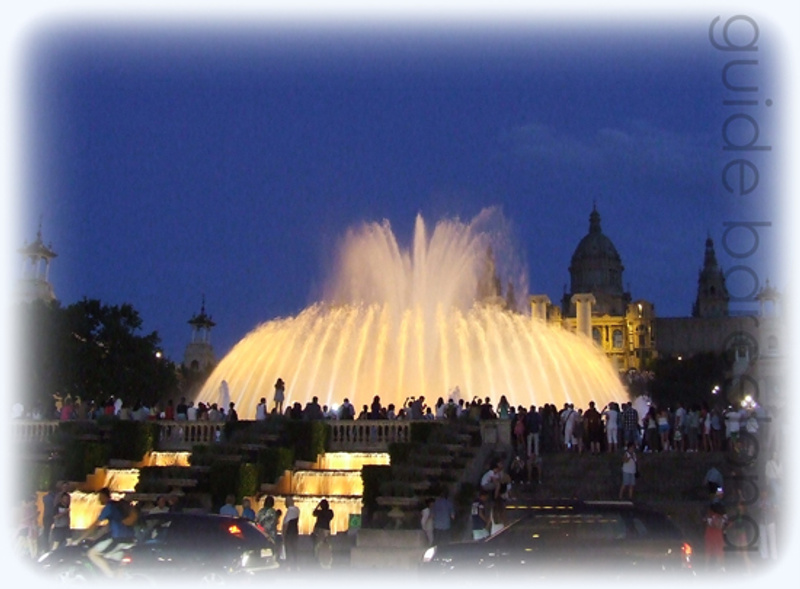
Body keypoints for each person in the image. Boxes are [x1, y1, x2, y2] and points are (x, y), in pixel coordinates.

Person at [73, 488, 136, 578]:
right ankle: (118, 575)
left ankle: (110, 576)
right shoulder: (116, 506)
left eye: (100, 497)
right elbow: (107, 527)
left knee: (92, 554)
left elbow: (94, 525)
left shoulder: (109, 507)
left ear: (104, 496)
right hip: (129, 538)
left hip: (118, 538)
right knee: (110, 556)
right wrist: (95, 537)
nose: (98, 499)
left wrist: (79, 539)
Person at [312, 499, 334, 568]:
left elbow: (313, 513)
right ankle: (328, 558)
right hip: (327, 530)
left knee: (317, 545)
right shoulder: (330, 512)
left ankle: (316, 558)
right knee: (328, 545)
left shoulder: (320, 512)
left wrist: (318, 505)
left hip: (320, 530)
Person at [281, 496, 300, 570]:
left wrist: (283, 534)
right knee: (294, 550)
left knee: (289, 550)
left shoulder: (290, 511)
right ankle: (295, 565)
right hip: (295, 533)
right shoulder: (297, 510)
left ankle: (289, 566)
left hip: (289, 534)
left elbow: (286, 524)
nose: (284, 503)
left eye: (286, 502)